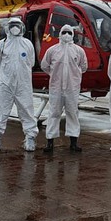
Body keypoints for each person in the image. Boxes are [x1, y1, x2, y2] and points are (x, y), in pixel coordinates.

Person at [0, 17, 38, 152]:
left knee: (27, 109)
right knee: (1, 109)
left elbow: (31, 63)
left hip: (23, 84)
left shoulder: (27, 44)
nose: (15, 27)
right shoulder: (1, 45)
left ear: (22, 27)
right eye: (12, 25)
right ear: (7, 27)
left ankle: (30, 137)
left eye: (17, 25)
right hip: (5, 84)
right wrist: (5, 76)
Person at [40, 24, 88, 152]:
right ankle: (50, 142)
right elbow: (44, 65)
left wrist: (75, 77)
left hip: (72, 88)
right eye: (64, 32)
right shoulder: (52, 50)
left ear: (73, 34)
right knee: (54, 113)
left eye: (69, 32)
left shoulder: (79, 51)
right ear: (60, 33)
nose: (66, 34)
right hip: (56, 87)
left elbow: (84, 67)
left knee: (72, 113)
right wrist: (54, 74)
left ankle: (73, 142)